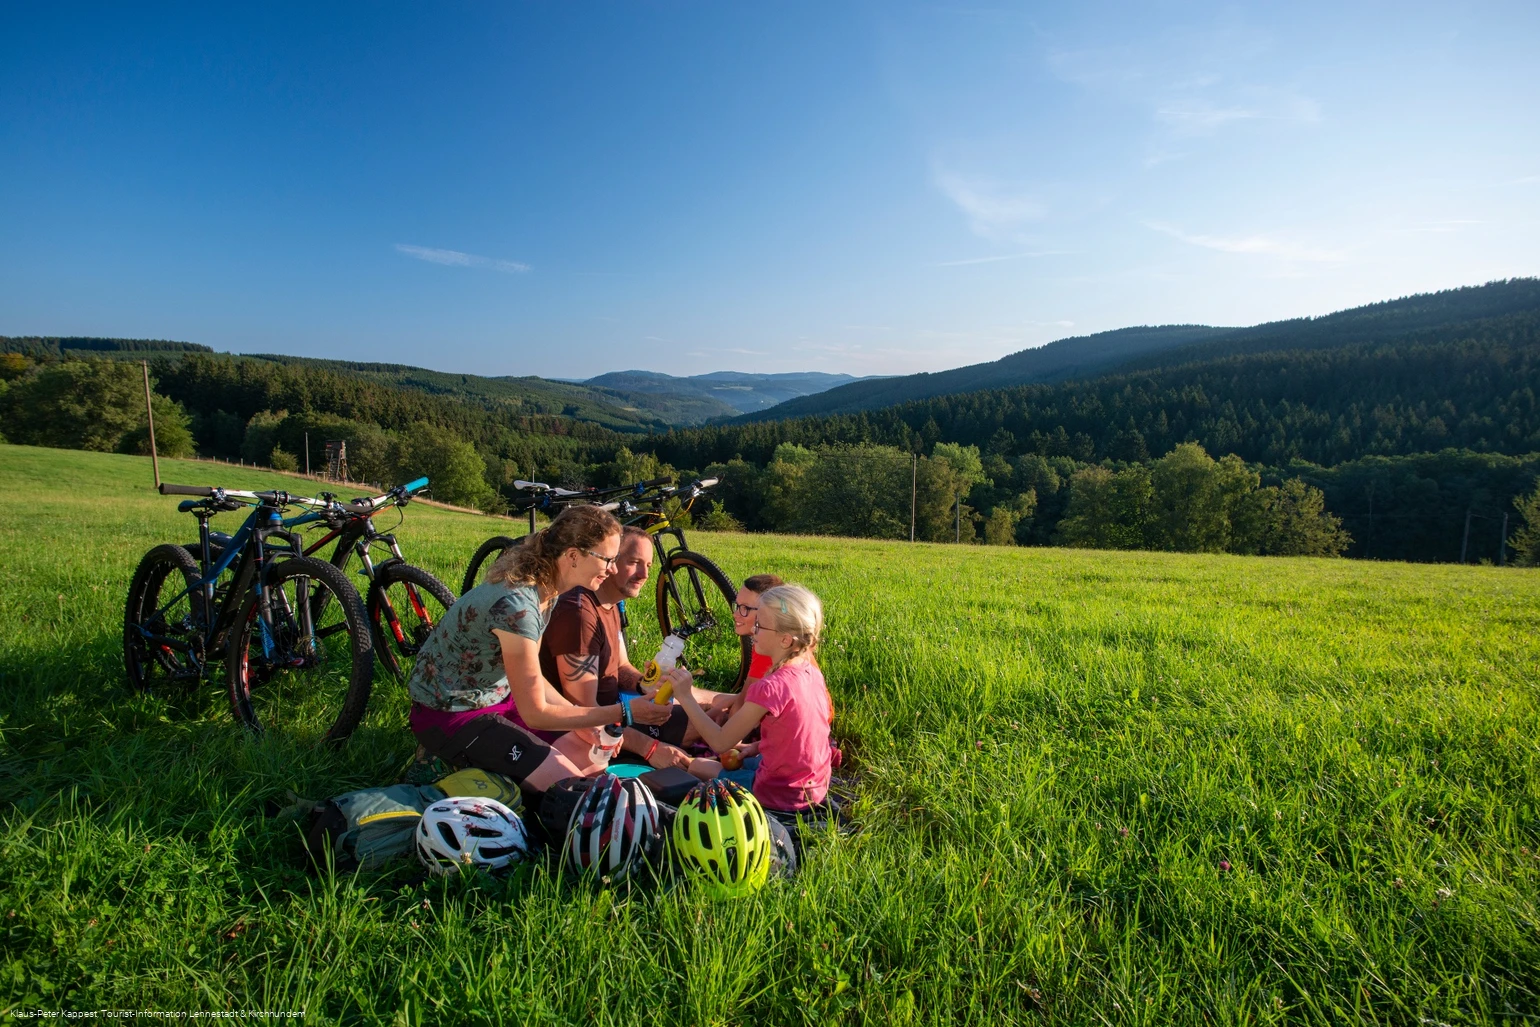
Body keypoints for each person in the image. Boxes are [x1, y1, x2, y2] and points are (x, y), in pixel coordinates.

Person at [406, 505, 673, 793]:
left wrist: (581, 720)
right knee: (575, 791)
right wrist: (623, 712)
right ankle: (442, 761)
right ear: (573, 556)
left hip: (500, 696)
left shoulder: (548, 588)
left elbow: (532, 677)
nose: (612, 568)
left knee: (592, 763)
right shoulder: (519, 606)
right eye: (608, 559)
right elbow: (535, 713)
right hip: (451, 713)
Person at [539, 526, 702, 773]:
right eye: (635, 562)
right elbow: (585, 713)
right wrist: (651, 748)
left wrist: (645, 684)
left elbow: (621, 666)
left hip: (616, 710)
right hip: (590, 727)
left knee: (714, 713)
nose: (644, 574)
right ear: (611, 561)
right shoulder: (579, 614)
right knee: (704, 723)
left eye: (648, 565)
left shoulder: (611, 602)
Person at [664, 584, 833, 815]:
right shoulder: (810, 672)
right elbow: (799, 736)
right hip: (813, 786)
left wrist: (685, 696)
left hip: (779, 793)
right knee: (737, 759)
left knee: (697, 765)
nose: (753, 631)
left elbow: (721, 742)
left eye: (759, 625)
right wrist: (755, 747)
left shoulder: (770, 687)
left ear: (785, 640)